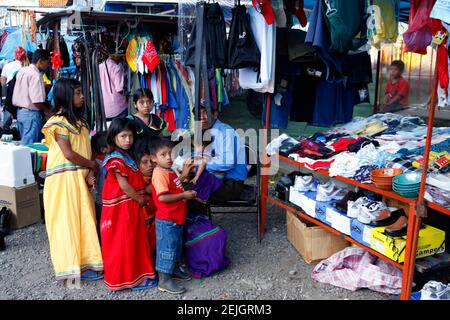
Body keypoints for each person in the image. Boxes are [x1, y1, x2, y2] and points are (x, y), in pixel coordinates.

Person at [41, 78, 103, 285]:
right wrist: (92, 166)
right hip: (62, 179)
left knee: (85, 218)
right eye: (77, 92)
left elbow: (85, 150)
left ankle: (88, 264)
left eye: (81, 92)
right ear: (66, 95)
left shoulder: (82, 122)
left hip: (78, 175)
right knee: (66, 222)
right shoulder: (57, 122)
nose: (82, 96)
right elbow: (68, 154)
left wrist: (89, 171)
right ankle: (69, 268)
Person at [101, 118, 157, 291]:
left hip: (128, 206)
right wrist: (140, 199)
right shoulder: (116, 159)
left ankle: (134, 275)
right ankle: (131, 279)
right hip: (121, 208)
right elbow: (124, 185)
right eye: (123, 136)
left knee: (131, 240)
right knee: (124, 242)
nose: (127, 140)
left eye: (130, 136)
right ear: (113, 137)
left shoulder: (126, 156)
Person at [149, 137, 197, 294]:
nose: (169, 157)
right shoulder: (159, 174)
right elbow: (162, 197)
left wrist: (183, 176)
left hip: (176, 217)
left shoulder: (168, 171)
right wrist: (184, 196)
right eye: (163, 155)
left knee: (175, 246)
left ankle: (174, 269)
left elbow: (175, 187)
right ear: (154, 158)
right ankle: (164, 280)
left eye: (171, 153)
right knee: (167, 249)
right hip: (167, 219)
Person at [196, 106, 248, 203]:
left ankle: (199, 217)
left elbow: (227, 162)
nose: (202, 117)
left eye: (205, 112)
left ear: (215, 114)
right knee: (179, 185)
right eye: (198, 114)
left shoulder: (225, 132)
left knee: (185, 190)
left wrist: (200, 166)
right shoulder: (204, 131)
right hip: (215, 179)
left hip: (230, 184)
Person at [12, 49, 51, 145]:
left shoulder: (22, 71)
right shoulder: (36, 75)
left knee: (25, 144)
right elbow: (37, 101)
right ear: (40, 61)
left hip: (21, 113)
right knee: (30, 147)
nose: (48, 65)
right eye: (47, 62)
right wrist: (47, 110)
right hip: (31, 114)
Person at [99, 42, 128, 122]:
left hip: (104, 106)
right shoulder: (118, 67)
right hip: (117, 106)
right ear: (114, 55)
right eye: (121, 56)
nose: (122, 58)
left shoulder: (100, 66)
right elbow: (119, 88)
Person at [136, 146, 157, 259]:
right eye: (145, 162)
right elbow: (152, 189)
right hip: (146, 223)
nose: (150, 165)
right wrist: (181, 177)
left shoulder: (153, 176)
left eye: (151, 162)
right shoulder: (139, 180)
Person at [90, 131, 109, 238]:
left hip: (101, 199)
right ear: (103, 149)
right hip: (101, 199)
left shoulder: (96, 161)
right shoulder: (98, 163)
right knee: (102, 223)